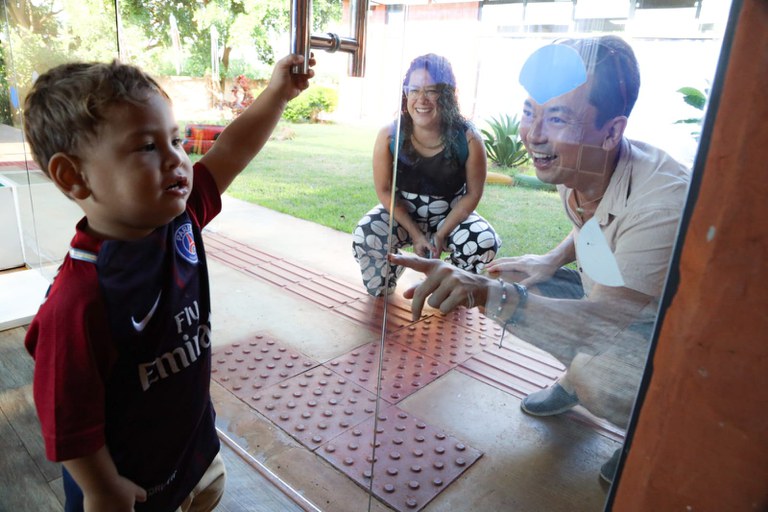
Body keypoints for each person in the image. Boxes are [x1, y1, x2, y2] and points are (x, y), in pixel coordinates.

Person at [390, 35, 690, 483]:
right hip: (629, 303)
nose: (532, 133)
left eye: (558, 117)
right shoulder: (582, 163)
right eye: (530, 111)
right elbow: (592, 225)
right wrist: (550, 260)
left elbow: (610, 322)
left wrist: (492, 294)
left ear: (611, 130)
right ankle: (575, 380)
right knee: (520, 278)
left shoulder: (663, 205)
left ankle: (645, 433)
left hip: (678, 340)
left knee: (599, 364)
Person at [23, 53, 314, 511]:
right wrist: (101, 489)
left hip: (195, 458)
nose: (177, 158)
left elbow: (231, 152)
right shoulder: (78, 301)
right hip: (130, 491)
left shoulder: (180, 218)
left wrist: (278, 93)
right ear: (73, 176)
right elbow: (67, 419)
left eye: (176, 140)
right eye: (146, 147)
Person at [352, 53, 500, 297]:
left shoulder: (468, 138)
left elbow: (473, 194)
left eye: (431, 91)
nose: (421, 99)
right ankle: (387, 276)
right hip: (403, 215)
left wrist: (441, 234)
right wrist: (415, 233)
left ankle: (449, 286)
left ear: (447, 95)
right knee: (367, 233)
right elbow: (385, 190)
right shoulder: (390, 135)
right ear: (405, 94)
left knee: (483, 240)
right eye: (414, 90)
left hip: (451, 217)